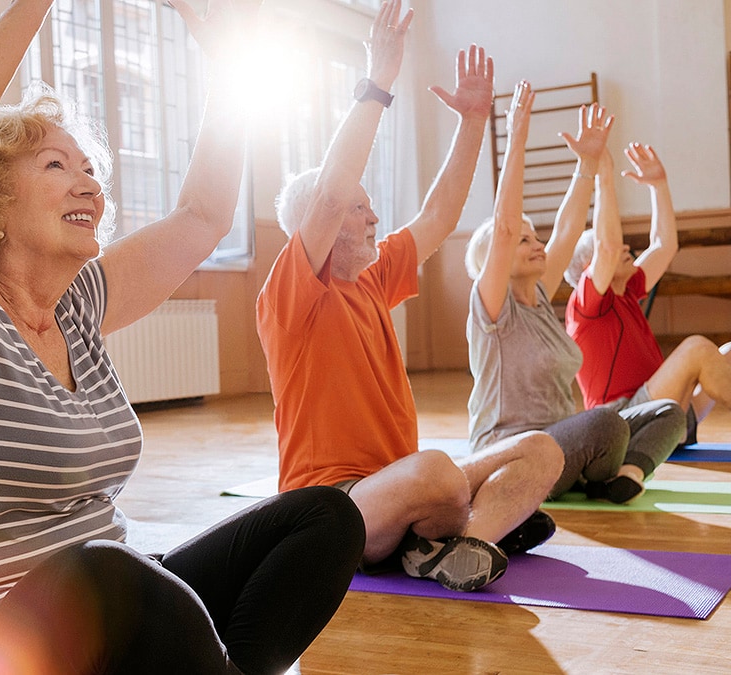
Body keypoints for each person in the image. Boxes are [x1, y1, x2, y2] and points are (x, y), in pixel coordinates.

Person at [0, 0, 366, 672]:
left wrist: (227, 64)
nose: (89, 184)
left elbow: (203, 215)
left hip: (105, 617)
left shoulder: (80, 304)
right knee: (106, 575)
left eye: (92, 171)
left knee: (325, 520)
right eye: (57, 165)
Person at [257, 0, 562, 595]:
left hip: (401, 483)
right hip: (334, 507)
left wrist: (475, 120)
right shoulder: (291, 293)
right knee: (439, 475)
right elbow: (328, 192)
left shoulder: (373, 276)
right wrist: (378, 83)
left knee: (538, 451)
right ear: (317, 227)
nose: (372, 215)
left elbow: (438, 215)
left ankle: (461, 543)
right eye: (356, 207)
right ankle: (455, 533)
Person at [464, 86, 632, 504]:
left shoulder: (538, 296)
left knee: (660, 411)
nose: (537, 244)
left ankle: (613, 474)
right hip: (509, 452)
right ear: (498, 258)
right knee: (605, 424)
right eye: (523, 241)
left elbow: (568, 229)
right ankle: (585, 477)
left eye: (534, 236)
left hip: (558, 440)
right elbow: (503, 226)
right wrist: (517, 135)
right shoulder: (491, 309)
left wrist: (587, 166)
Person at [564, 142, 731, 500]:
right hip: (622, 421)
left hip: (665, 414)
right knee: (698, 349)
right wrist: (603, 176)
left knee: (729, 352)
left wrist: (658, 185)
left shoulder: (628, 290)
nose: (626, 247)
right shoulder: (586, 305)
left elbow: (663, 244)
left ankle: (677, 431)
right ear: (588, 269)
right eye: (613, 245)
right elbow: (608, 247)